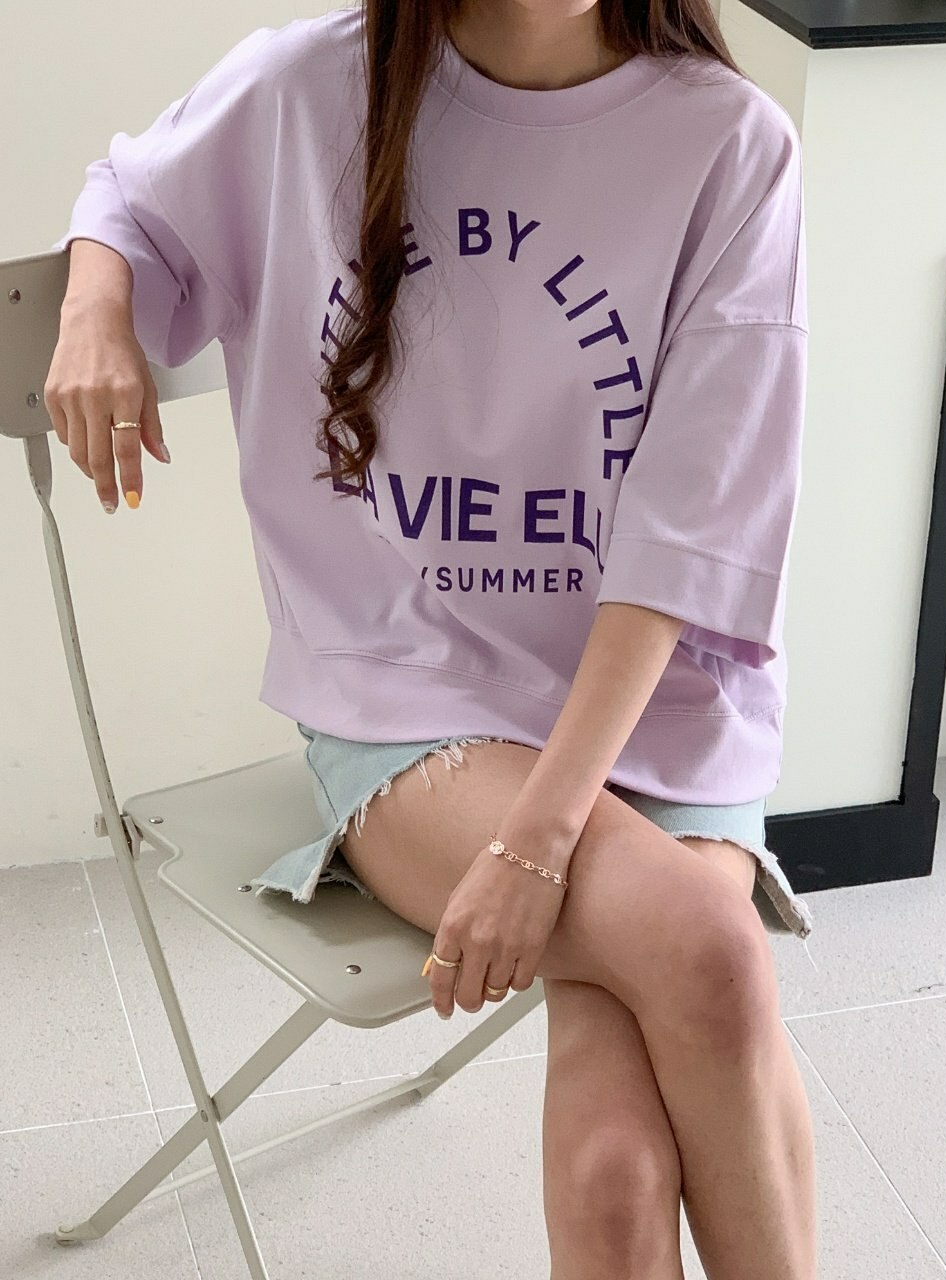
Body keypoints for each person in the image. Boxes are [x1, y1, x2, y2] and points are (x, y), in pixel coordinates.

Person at [45, 2, 819, 1275]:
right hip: (415, 691)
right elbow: (128, 195)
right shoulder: (311, 90)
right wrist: (93, 305)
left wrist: (538, 840)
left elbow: (691, 532)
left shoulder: (730, 145)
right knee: (710, 951)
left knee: (617, 1168)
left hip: (654, 698)